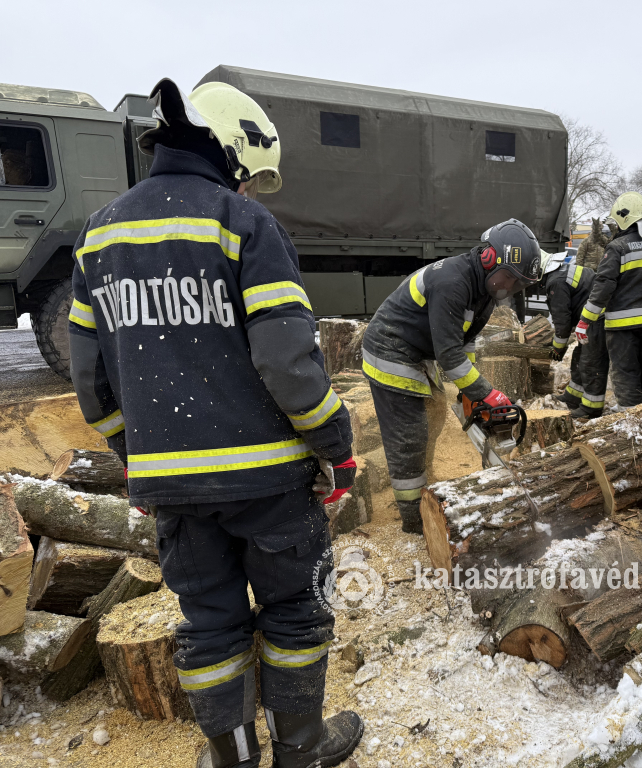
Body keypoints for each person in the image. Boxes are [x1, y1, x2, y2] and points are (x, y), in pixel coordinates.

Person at [67, 78, 362, 768]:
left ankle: (231, 759)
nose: (248, 187)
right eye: (247, 172)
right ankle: (301, 746)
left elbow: (91, 384)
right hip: (269, 485)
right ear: (230, 148)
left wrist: (138, 453)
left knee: (210, 626)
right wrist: (336, 447)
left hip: (173, 491)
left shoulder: (99, 234)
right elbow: (289, 366)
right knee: (295, 611)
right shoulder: (243, 224)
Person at [361, 219, 542, 533]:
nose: (510, 288)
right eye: (509, 279)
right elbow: (448, 354)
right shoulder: (452, 281)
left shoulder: (485, 291)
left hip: (416, 350)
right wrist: (486, 392)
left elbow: (465, 343)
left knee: (434, 417)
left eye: (519, 284)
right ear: (490, 259)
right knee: (411, 433)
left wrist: (468, 394)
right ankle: (413, 520)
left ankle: (423, 488)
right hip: (390, 348)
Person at [575, 192, 642, 408]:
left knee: (626, 372)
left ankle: (630, 420)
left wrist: (585, 320)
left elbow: (602, 287)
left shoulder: (617, 248)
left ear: (624, 219)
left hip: (622, 325)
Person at [539, 251, 609, 418]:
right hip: (591, 317)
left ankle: (592, 408)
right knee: (580, 356)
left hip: (599, 316)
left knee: (591, 362)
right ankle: (574, 396)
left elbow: (562, 322)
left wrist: (557, 348)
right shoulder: (561, 273)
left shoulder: (556, 282)